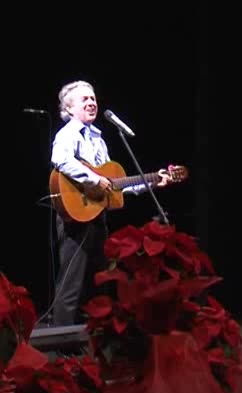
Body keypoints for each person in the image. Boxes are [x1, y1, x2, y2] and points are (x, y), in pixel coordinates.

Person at [50, 80, 172, 326]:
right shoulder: (68, 133)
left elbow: (114, 183)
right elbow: (60, 159)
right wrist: (95, 178)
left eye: (93, 98)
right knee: (71, 284)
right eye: (85, 99)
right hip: (75, 214)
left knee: (100, 280)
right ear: (69, 108)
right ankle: (61, 346)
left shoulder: (99, 139)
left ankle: (95, 339)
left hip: (97, 215)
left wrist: (151, 182)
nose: (92, 102)